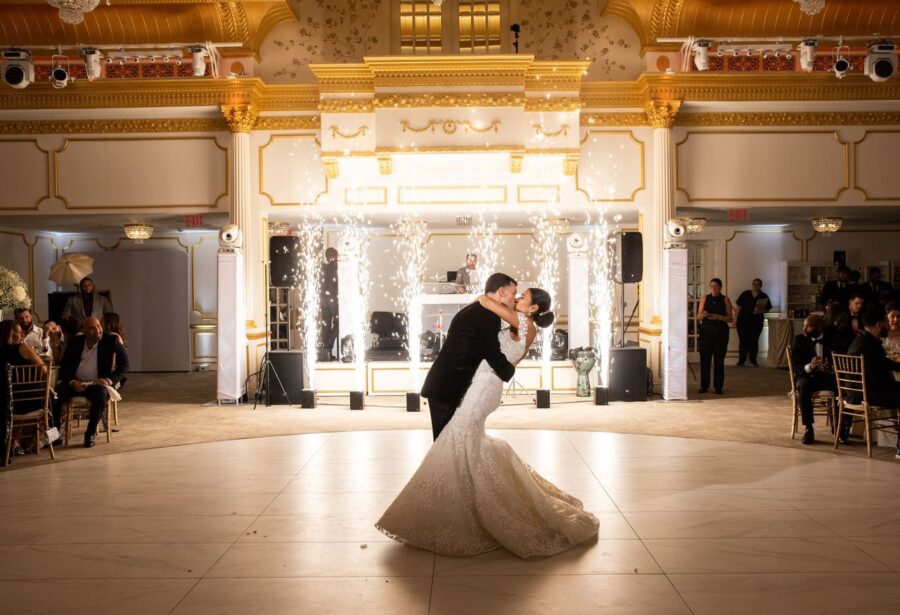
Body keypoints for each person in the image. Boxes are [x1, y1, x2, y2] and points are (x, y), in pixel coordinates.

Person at [377, 287, 599, 558]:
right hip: (483, 384)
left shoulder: (521, 321)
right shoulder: (523, 324)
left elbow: (484, 300)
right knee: (465, 440)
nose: (516, 299)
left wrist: (491, 297)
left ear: (533, 309)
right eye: (517, 295)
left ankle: (460, 509)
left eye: (522, 297)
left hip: (483, 386)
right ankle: (464, 502)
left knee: (458, 436)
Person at [421, 273, 517, 441]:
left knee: (448, 446)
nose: (514, 299)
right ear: (501, 291)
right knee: (446, 447)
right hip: (447, 387)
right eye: (513, 293)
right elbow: (492, 352)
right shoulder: (487, 315)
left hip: (443, 384)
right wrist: (510, 370)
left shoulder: (474, 309)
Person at [55, 317, 128, 448]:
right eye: (92, 328)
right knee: (54, 395)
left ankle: (90, 433)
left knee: (101, 396)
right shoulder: (75, 342)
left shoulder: (110, 340)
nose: (98, 330)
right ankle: (55, 434)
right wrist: (72, 382)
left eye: (99, 326)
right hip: (75, 383)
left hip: (96, 384)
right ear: (84, 331)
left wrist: (108, 380)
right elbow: (64, 366)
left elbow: (124, 365)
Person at [0, 320, 48, 459]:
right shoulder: (23, 348)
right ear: (10, 334)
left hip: (6, 402)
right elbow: (44, 370)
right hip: (29, 400)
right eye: (18, 332)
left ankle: (15, 441)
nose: (22, 335)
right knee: (47, 396)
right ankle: (28, 441)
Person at [791, 315, 838, 445]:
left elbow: (839, 361)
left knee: (842, 388)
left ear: (819, 327)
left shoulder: (832, 340)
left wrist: (831, 367)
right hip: (806, 376)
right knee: (803, 388)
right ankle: (809, 428)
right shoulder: (799, 340)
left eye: (808, 326)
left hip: (826, 376)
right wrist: (810, 366)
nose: (804, 328)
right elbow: (796, 366)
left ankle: (840, 427)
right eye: (804, 325)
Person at [847, 306, 900, 411]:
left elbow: (885, 363)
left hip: (860, 392)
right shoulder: (867, 347)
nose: (889, 326)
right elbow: (880, 382)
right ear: (879, 325)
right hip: (867, 396)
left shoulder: (864, 340)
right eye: (886, 322)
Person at [697, 278, 734, 394]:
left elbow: (730, 318)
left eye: (716, 286)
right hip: (706, 332)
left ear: (720, 287)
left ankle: (718, 387)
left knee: (719, 360)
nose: (713, 288)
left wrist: (719, 317)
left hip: (720, 332)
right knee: (705, 360)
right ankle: (704, 386)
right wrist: (703, 314)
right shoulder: (704, 298)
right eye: (711, 286)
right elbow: (699, 316)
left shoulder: (725, 299)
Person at [735, 278, 771, 367]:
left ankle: (753, 361)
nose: (756, 286)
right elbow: (738, 307)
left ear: (761, 285)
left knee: (754, 341)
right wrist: (735, 319)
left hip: (757, 321)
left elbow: (767, 310)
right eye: (754, 284)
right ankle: (741, 361)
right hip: (743, 321)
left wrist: (761, 309)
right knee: (743, 341)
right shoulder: (745, 294)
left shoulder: (764, 296)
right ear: (752, 285)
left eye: (758, 284)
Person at [319, 247, 338, 361]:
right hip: (334, 302)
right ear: (335, 255)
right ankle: (327, 346)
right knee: (339, 324)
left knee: (325, 327)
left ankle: (325, 355)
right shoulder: (338, 268)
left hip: (323, 302)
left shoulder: (322, 268)